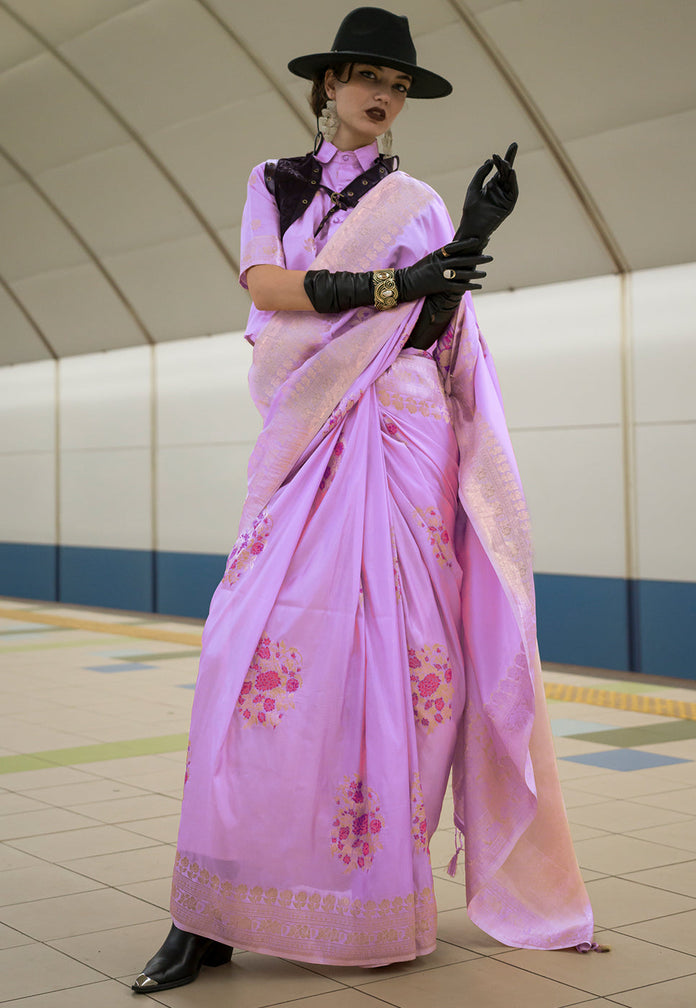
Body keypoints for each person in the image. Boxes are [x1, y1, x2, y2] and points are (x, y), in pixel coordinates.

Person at [132, 6, 598, 995]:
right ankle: (206, 915)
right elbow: (267, 285)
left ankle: (372, 898)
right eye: (364, 77)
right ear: (327, 86)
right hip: (312, 442)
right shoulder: (272, 183)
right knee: (249, 658)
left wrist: (471, 234)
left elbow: (438, 327)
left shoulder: (422, 201)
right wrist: (392, 288)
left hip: (408, 440)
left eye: (396, 82)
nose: (381, 94)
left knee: (410, 677)